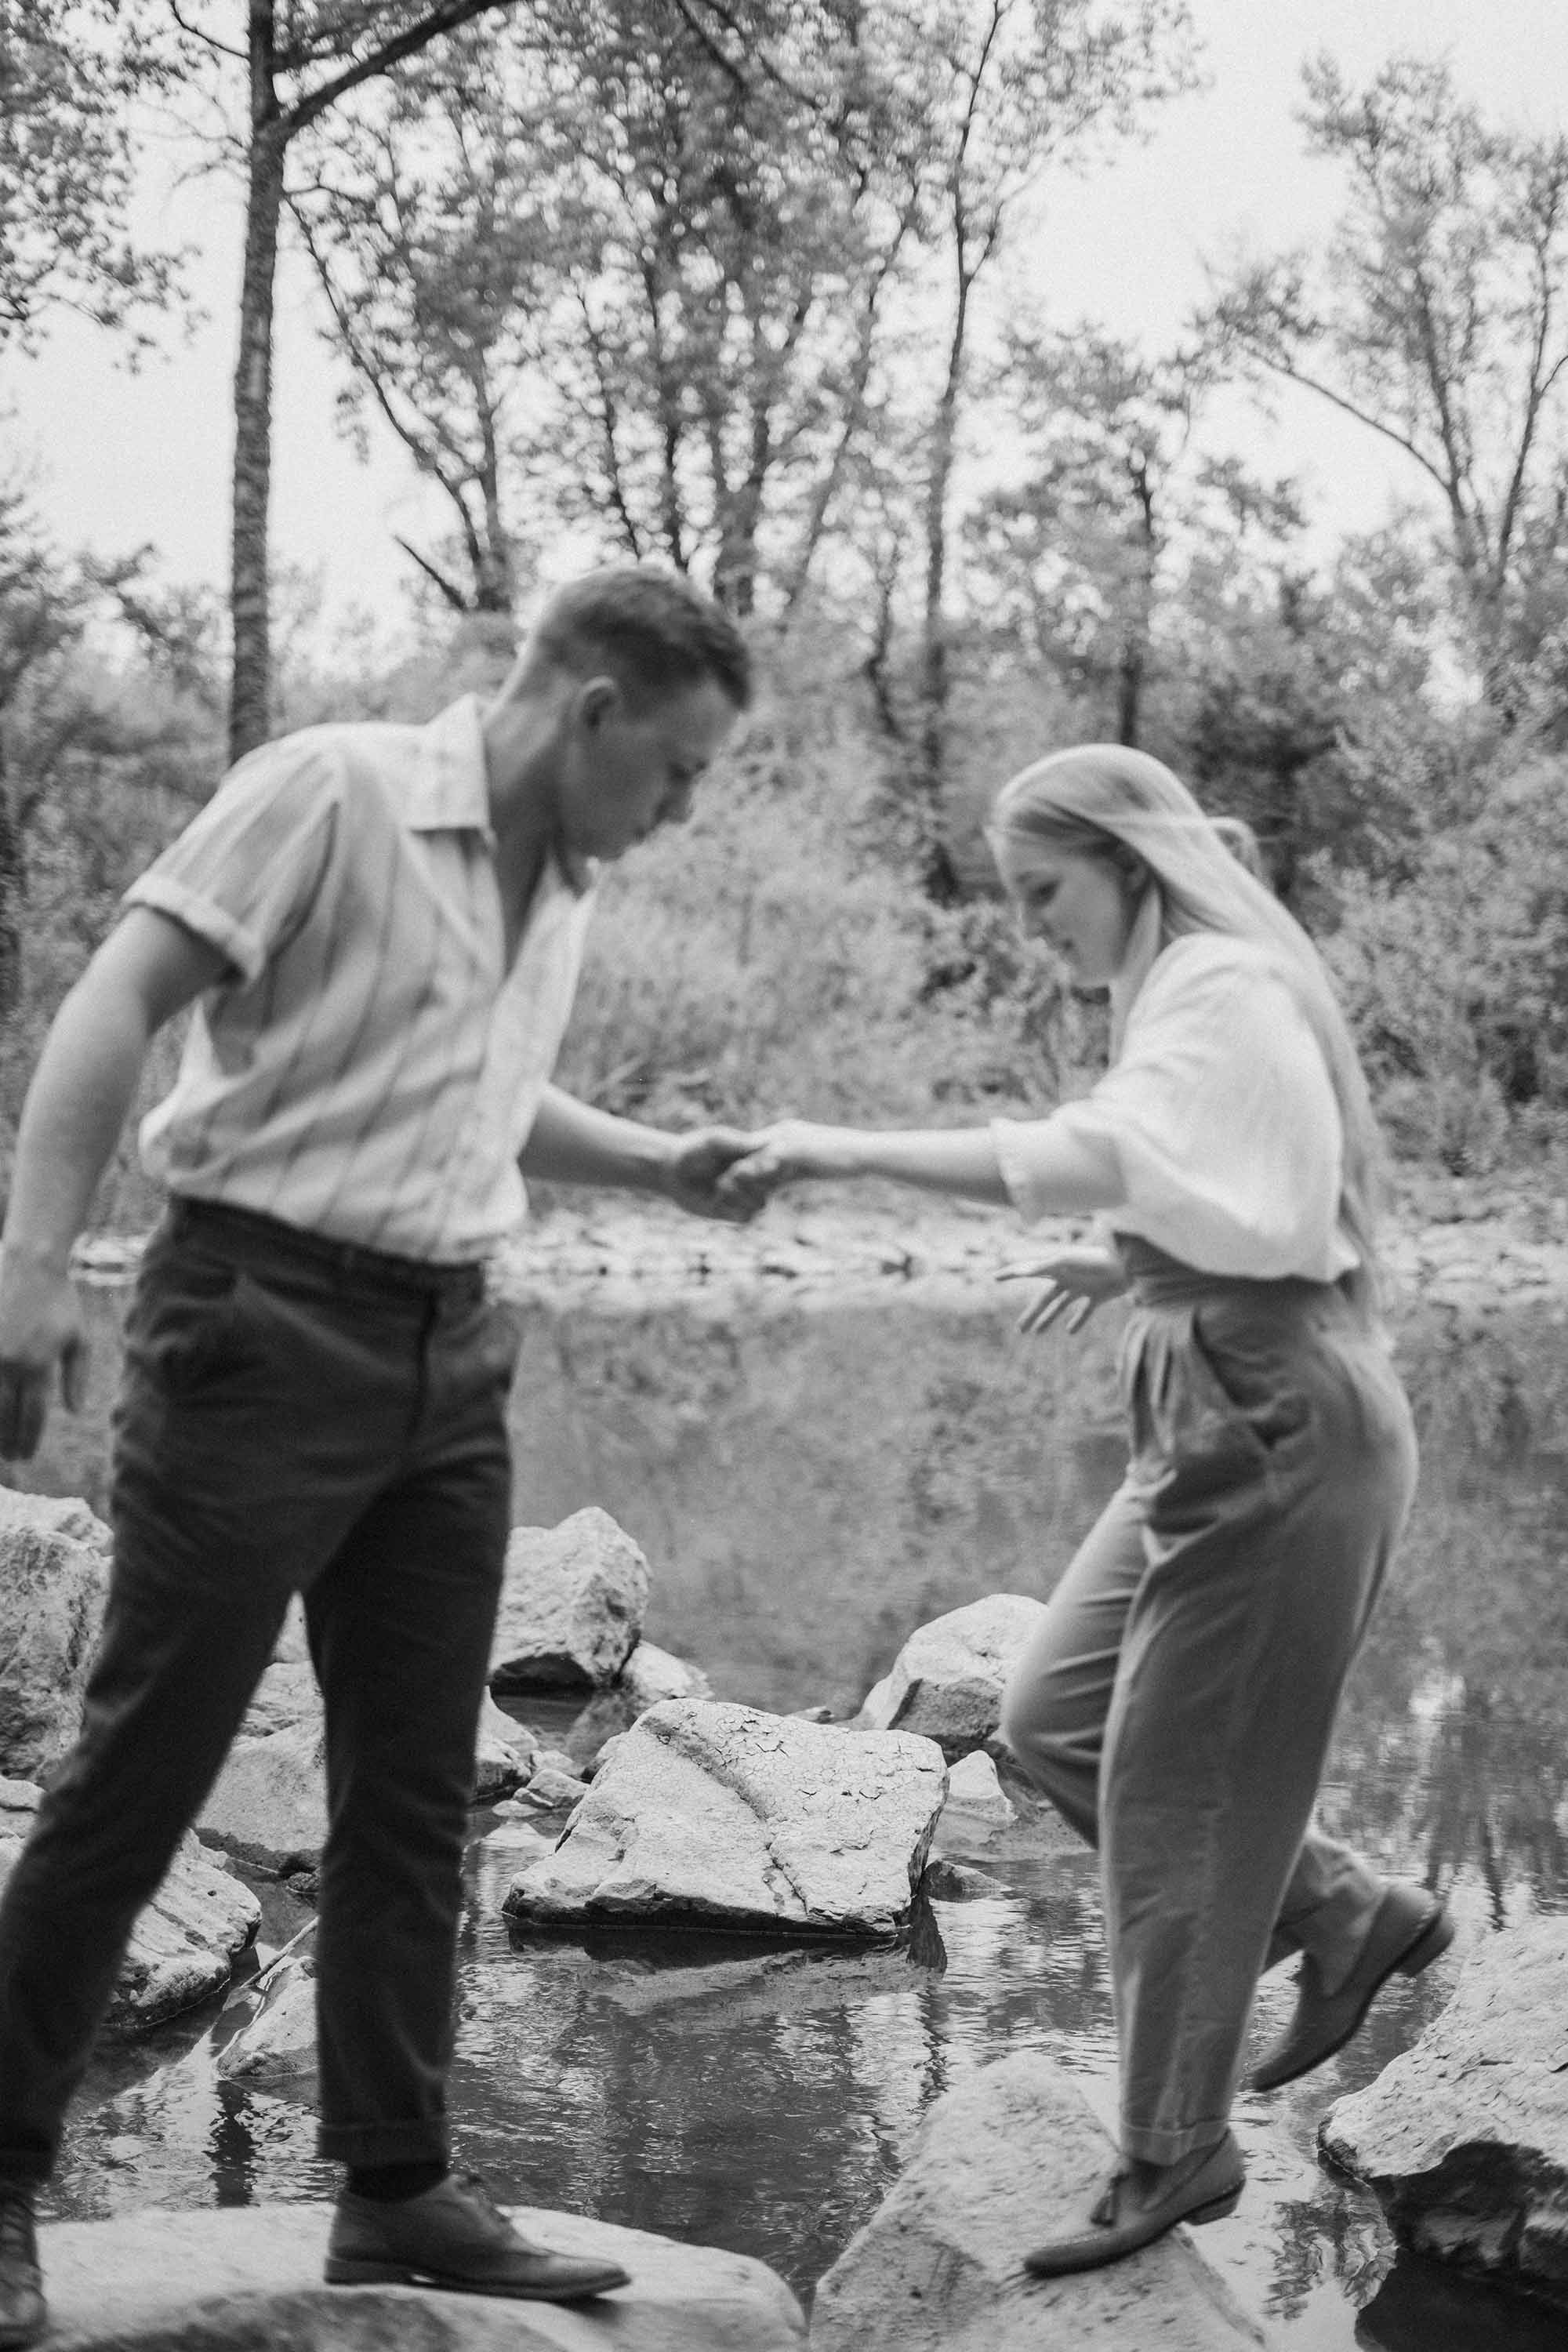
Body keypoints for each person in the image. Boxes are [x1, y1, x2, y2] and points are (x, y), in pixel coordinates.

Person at [0, 566, 762, 2343]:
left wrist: (657, 1164)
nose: (679, 811)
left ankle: (396, 2185)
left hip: (451, 1353)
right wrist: (30, 1269)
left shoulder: (560, 881)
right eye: (679, 770)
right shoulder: (332, 791)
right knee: (142, 1773)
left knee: (417, 1789)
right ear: (593, 709)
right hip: (255, 1322)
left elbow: (482, 1094)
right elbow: (115, 1002)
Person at [723, 744, 1452, 2277]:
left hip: (1279, 1425)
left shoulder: (1221, 983)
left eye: (1041, 889)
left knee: (1180, 1797)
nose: (1030, 924)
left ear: (1126, 860)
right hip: (1215, 1407)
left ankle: (1172, 2149)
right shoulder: (1183, 985)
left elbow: (1113, 1153)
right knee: (1054, 1713)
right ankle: (1341, 1911)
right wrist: (1128, 1262)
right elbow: (1231, 1184)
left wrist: (839, 1150)